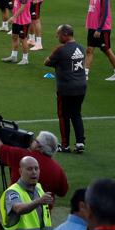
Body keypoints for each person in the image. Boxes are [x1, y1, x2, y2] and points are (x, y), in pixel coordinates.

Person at [0, 156, 54, 230]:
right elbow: (18, 208)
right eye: (29, 169)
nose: (34, 172)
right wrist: (38, 201)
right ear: (20, 171)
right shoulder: (13, 192)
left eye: (36, 168)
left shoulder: (38, 188)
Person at [0, 130, 68, 198]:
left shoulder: (23, 156)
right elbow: (62, 192)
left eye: (35, 141)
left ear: (39, 147)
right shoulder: (57, 169)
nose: (32, 142)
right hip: (43, 217)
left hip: (18, 211)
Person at [45, 24, 87, 154]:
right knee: (76, 114)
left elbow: (47, 62)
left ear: (65, 35)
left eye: (58, 34)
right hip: (81, 86)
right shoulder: (81, 48)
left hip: (66, 88)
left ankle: (65, 145)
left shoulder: (60, 50)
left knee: (64, 116)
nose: (57, 37)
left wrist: (59, 65)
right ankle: (80, 143)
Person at [84, 0, 115, 82]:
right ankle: (85, 74)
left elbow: (105, 13)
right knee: (89, 50)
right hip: (92, 28)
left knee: (107, 50)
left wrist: (99, 29)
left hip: (102, 29)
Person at [2, 0, 33, 65]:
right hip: (17, 20)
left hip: (23, 21)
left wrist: (14, 16)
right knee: (14, 37)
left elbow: (23, 7)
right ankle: (14, 56)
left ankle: (25, 59)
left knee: (23, 39)